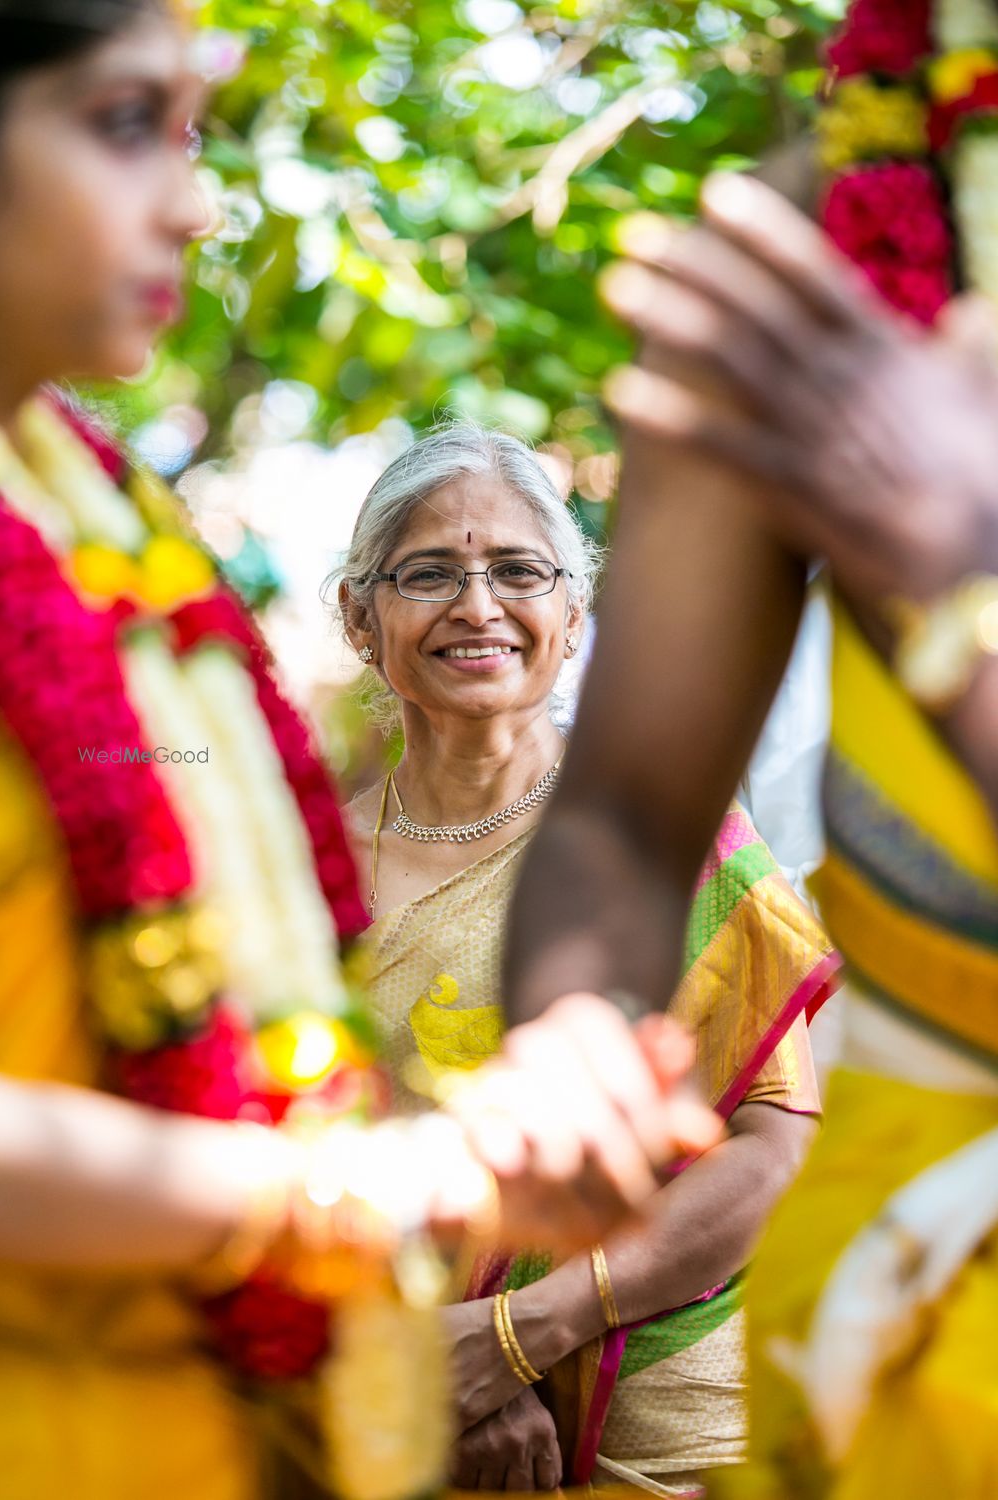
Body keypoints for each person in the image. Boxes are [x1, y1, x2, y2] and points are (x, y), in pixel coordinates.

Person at [0, 4, 723, 1496]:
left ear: (573, 615)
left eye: (194, 133)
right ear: (362, 613)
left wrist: (499, 1300)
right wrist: (374, 1188)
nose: (195, 201)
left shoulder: (83, 505)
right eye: (125, 122)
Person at [502, 162, 998, 1496]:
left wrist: (958, 565)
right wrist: (575, 1026)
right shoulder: (835, 237)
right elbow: (618, 822)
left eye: (518, 571)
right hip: (877, 1304)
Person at [338, 424, 837, 1494]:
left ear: (572, 615)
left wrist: (515, 1339)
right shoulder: (309, 870)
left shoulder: (663, 838)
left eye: (518, 572)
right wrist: (423, 1358)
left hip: (653, 1426)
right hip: (381, 1401)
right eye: (429, 573)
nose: (477, 607)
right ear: (358, 615)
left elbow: (770, 1153)